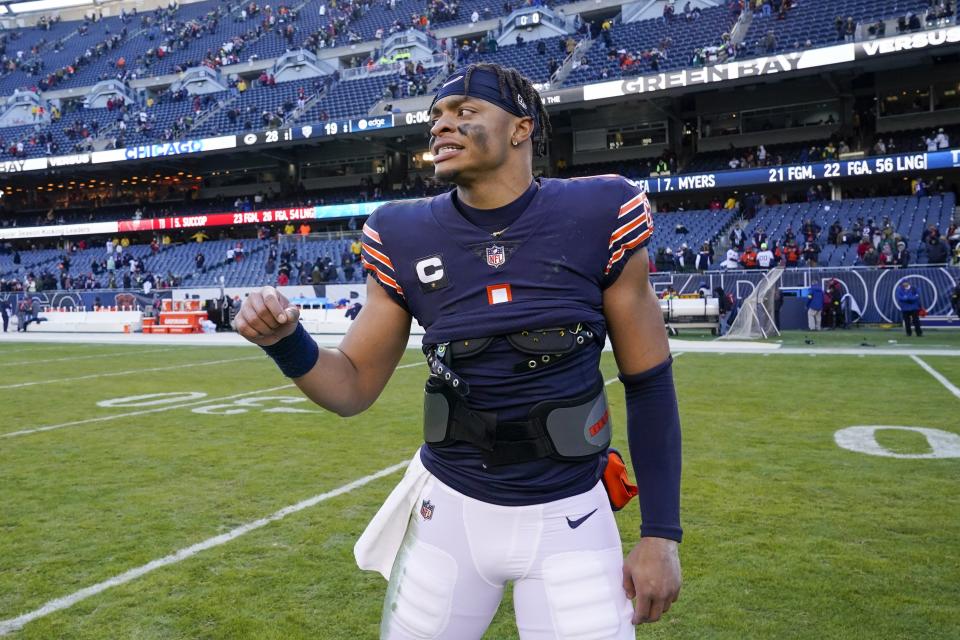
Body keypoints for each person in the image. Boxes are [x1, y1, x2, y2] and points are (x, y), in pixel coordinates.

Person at [235, 63, 682, 639]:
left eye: (465, 112)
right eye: (436, 118)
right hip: (450, 511)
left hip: (570, 515)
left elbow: (648, 382)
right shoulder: (402, 232)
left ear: (522, 128)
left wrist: (660, 534)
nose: (442, 127)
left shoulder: (599, 212)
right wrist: (285, 343)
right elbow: (349, 389)